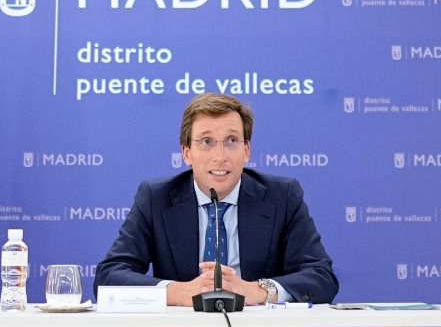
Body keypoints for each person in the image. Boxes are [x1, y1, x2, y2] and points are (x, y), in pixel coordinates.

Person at [95, 94, 338, 305]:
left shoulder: (282, 196)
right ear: (187, 153)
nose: (220, 156)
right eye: (207, 142)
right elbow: (109, 277)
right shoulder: (155, 198)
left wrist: (257, 290)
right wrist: (179, 292)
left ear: (246, 151)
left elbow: (321, 277)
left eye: (232, 141)